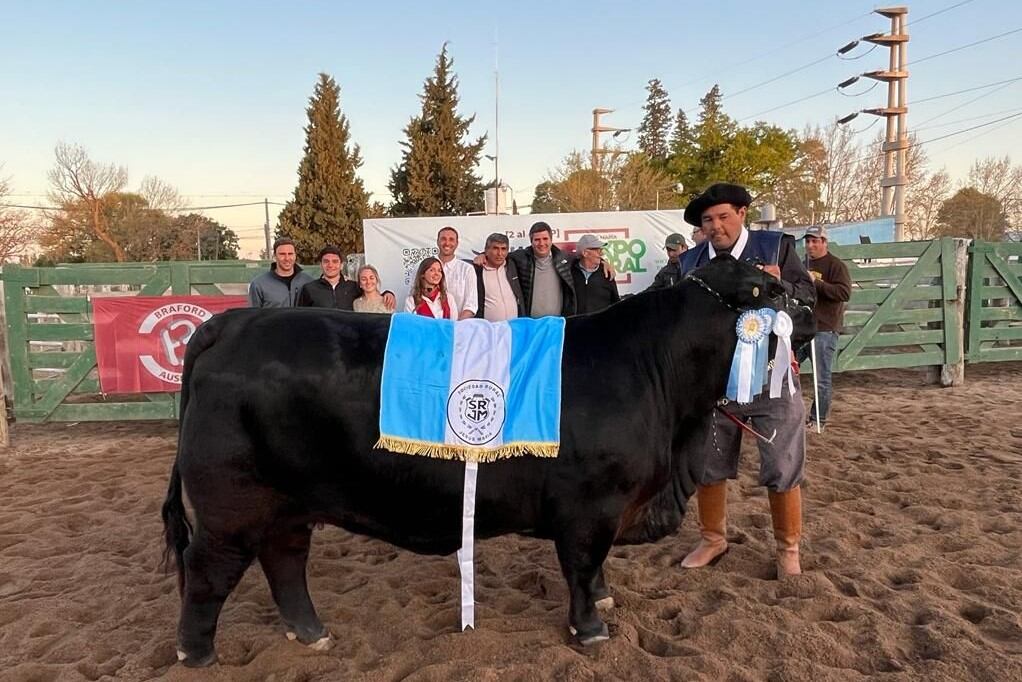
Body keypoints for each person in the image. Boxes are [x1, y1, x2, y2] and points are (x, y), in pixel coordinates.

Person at [677, 182, 816, 578]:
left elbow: (809, 302)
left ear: (742, 214)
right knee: (708, 461)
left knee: (783, 462)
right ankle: (712, 538)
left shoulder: (777, 249)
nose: (715, 226)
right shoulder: (689, 263)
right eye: (708, 220)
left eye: (723, 216)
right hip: (713, 384)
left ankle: (788, 548)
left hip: (773, 379)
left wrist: (779, 285)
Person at [797, 226, 851, 431]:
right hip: (803, 328)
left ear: (824, 242)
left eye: (815, 241)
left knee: (821, 377)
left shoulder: (836, 265)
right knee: (785, 368)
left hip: (825, 329)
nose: (810, 245)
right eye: (808, 241)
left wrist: (816, 282)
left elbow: (844, 293)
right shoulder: (803, 264)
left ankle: (818, 419)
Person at [506, 221, 577, 318]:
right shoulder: (521, 258)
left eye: (545, 239)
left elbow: (587, 259)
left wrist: (603, 263)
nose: (541, 243)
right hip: (531, 324)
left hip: (557, 323)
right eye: (537, 240)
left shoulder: (564, 258)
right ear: (531, 242)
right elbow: (498, 255)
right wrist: (483, 256)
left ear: (551, 240)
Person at [298, 245, 396, 311]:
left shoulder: (353, 286)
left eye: (335, 261)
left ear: (341, 265)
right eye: (326, 261)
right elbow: (303, 317)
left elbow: (370, 292)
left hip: (349, 340)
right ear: (321, 265)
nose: (330, 265)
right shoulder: (309, 289)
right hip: (322, 340)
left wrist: (387, 293)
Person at [248, 237, 314, 307]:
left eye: (290, 254)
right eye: (282, 254)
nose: (287, 258)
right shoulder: (258, 285)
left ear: (295, 255)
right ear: (275, 256)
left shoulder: (308, 281)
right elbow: (254, 315)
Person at [473, 233, 524, 321]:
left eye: (503, 249)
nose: (500, 253)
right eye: (495, 248)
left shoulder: (513, 265)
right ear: (486, 250)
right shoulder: (476, 271)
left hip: (513, 328)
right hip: (487, 329)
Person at [436, 226, 478, 320]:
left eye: (451, 239)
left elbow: (471, 305)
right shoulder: (422, 267)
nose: (447, 243)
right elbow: (414, 297)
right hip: (430, 328)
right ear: (437, 242)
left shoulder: (467, 269)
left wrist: (455, 326)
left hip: (458, 328)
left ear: (457, 243)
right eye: (443, 239)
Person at [572, 234, 620, 314]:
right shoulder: (569, 272)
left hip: (601, 325)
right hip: (577, 324)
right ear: (585, 253)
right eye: (598, 251)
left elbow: (616, 302)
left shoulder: (606, 273)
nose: (602, 254)